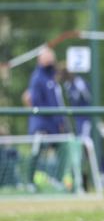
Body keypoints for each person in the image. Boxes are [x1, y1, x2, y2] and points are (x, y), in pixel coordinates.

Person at [27, 47, 69, 187]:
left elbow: (56, 102)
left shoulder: (52, 77)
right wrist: (42, 125)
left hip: (55, 123)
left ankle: (57, 179)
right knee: (37, 151)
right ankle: (30, 182)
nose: (51, 60)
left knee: (62, 149)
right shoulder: (37, 78)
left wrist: (60, 121)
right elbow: (35, 101)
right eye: (48, 57)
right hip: (42, 123)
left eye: (52, 57)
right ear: (40, 59)